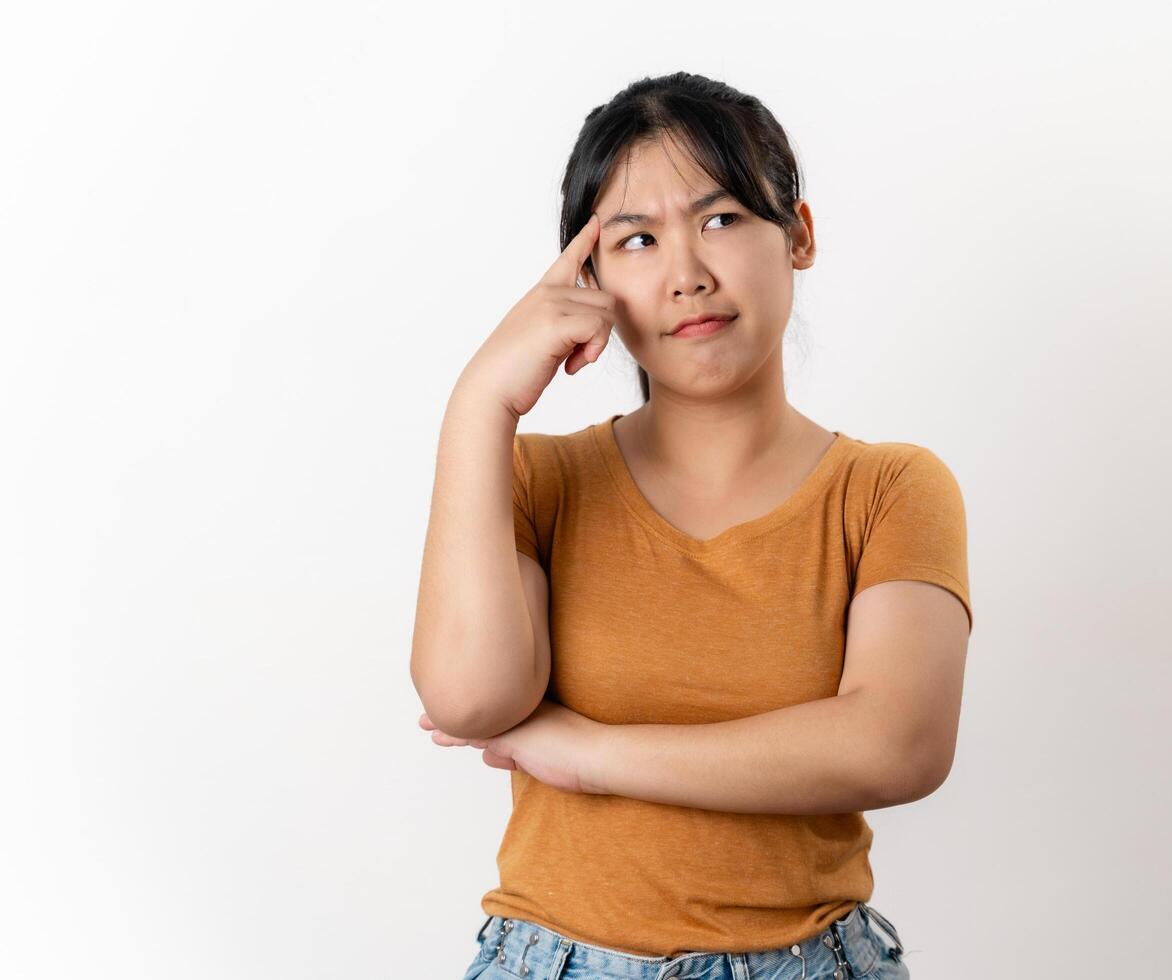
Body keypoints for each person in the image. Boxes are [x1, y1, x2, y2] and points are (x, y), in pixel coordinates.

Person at [410, 71, 971, 980]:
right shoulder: (533, 479)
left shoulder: (890, 490)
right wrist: (480, 402)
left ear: (799, 233)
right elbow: (471, 701)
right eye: (636, 239)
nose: (688, 275)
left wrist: (589, 755)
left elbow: (896, 744)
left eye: (720, 220)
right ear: (587, 281)